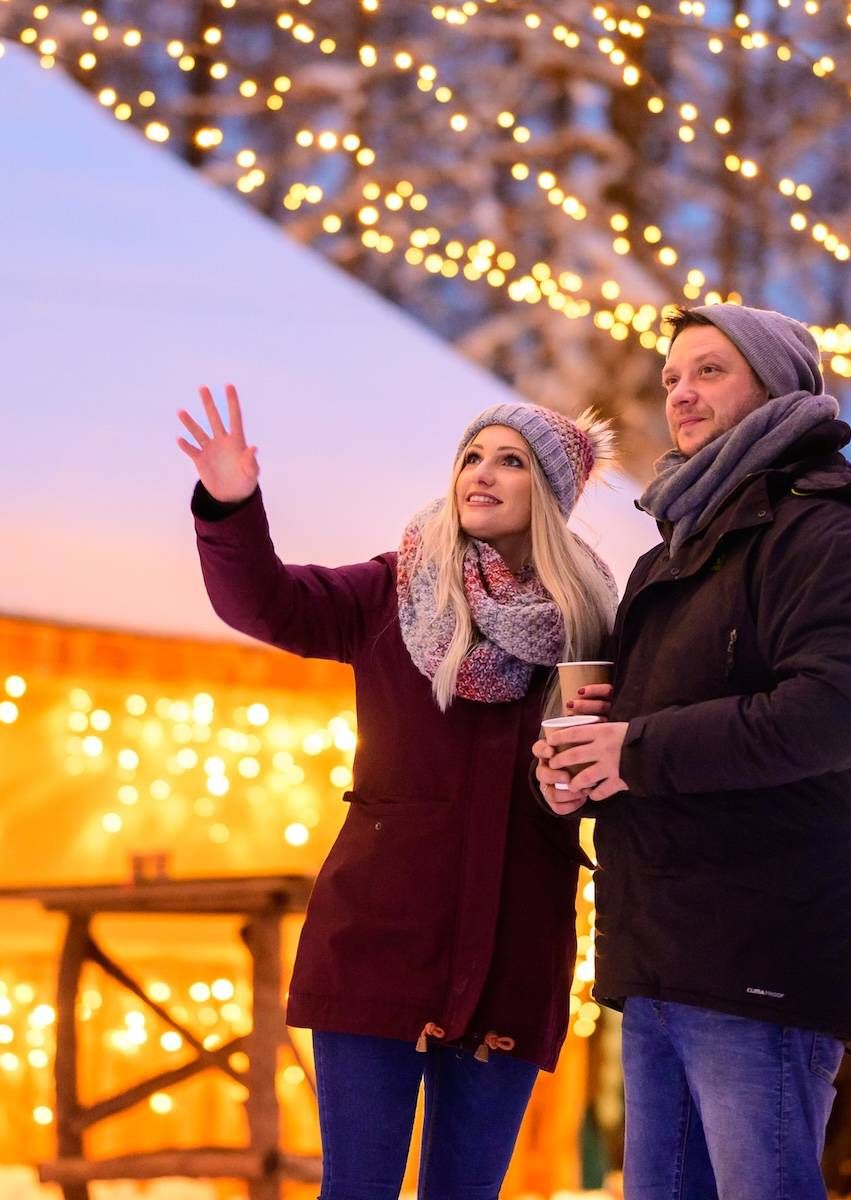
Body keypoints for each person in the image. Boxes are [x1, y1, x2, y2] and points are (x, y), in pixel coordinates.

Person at [177, 386, 619, 1200]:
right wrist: (230, 505)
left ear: (549, 496)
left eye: (510, 462)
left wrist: (583, 791)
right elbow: (266, 602)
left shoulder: (592, 628)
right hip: (378, 947)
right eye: (471, 457)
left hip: (515, 959)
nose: (480, 475)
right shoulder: (391, 593)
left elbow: (612, 779)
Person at [533, 303, 851, 1200]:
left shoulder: (836, 534)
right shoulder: (670, 556)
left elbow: (833, 716)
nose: (681, 394)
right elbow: (647, 737)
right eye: (671, 379)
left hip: (764, 955)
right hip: (658, 949)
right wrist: (578, 768)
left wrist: (632, 746)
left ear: (778, 384)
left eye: (708, 370)